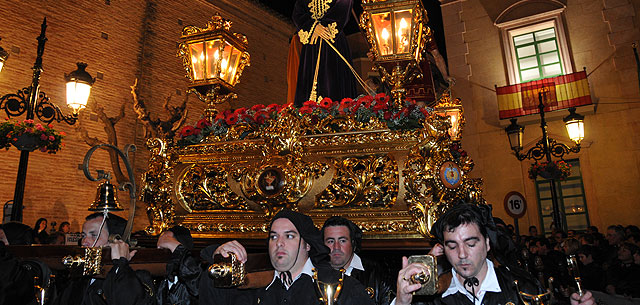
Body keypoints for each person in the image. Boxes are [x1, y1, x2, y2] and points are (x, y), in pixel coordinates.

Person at [394, 202, 596, 305]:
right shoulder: (432, 297)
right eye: (452, 246)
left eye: (471, 243)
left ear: (487, 243)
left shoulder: (521, 288)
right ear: (443, 250)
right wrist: (402, 301)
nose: (462, 254)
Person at [199, 208, 374, 304]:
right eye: (273, 236)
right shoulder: (252, 284)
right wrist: (217, 254)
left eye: (289, 236)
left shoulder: (339, 286)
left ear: (307, 244)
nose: (279, 243)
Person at [292, 0, 357, 106]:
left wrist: (324, 26)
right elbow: (297, 15)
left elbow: (341, 10)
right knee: (309, 74)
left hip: (333, 40)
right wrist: (313, 27)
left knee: (333, 75)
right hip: (312, 44)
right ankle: (307, 109)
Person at [52, 212, 154, 305]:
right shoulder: (80, 276)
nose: (84, 242)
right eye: (83, 235)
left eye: (94, 235)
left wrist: (120, 265)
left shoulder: (137, 275)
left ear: (116, 241)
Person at [322, 216, 394, 305]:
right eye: (330, 241)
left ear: (353, 243)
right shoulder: (314, 274)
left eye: (342, 241)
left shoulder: (378, 273)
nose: (336, 247)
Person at [156, 225, 201, 305]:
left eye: (164, 248)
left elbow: (196, 287)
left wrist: (176, 248)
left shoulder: (199, 274)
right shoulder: (159, 281)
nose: (159, 252)